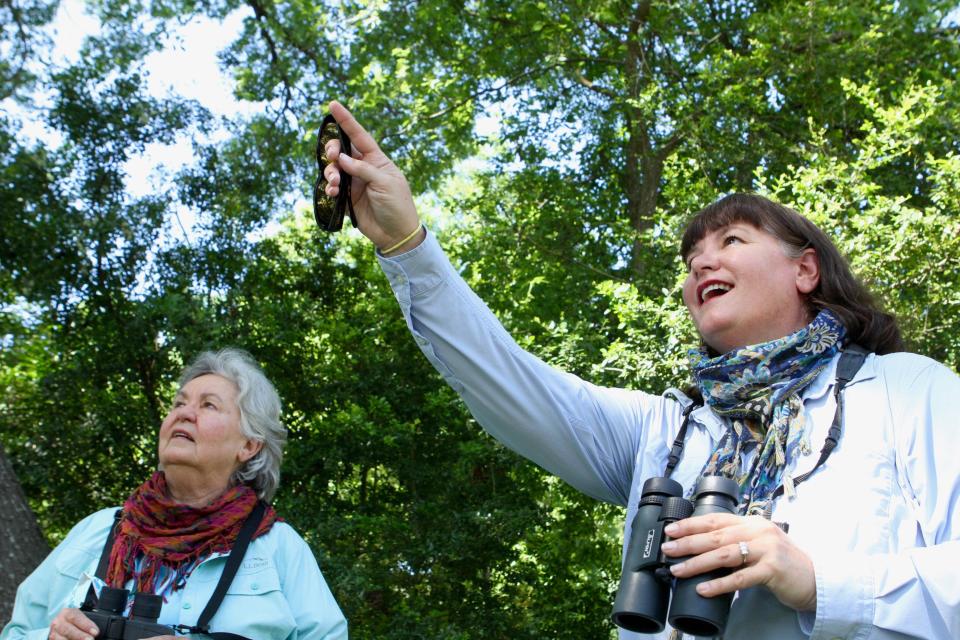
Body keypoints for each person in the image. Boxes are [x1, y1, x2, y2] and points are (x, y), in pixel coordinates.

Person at [316, 101, 960, 639]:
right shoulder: (666, 429)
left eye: (731, 241)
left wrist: (818, 581)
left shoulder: (905, 390)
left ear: (806, 269)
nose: (701, 266)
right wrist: (406, 244)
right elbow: (502, 376)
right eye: (690, 260)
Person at [1, 348, 347, 640]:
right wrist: (48, 636)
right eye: (179, 403)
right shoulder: (98, 530)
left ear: (249, 445)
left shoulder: (278, 547)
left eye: (209, 405)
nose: (184, 412)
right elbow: (15, 633)